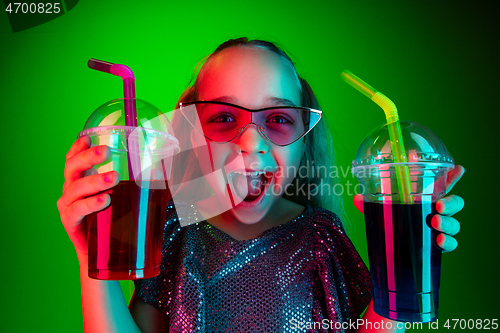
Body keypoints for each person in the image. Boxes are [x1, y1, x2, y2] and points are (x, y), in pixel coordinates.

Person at [57, 38, 465, 332]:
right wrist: (89, 254)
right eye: (223, 118)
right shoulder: (174, 235)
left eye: (278, 118)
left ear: (305, 139)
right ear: (190, 135)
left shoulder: (320, 237)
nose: (251, 144)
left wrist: (406, 262)